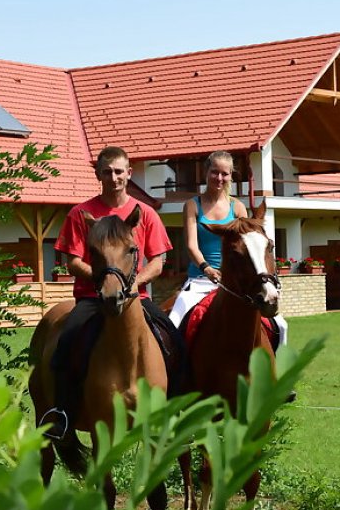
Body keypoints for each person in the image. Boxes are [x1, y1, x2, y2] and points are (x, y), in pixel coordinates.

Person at [43, 145, 173, 439]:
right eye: (107, 172)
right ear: (98, 174)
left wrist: (132, 285)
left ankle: (176, 408)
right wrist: (104, 282)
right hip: (92, 299)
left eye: (119, 171)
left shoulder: (146, 214)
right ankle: (60, 412)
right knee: (66, 342)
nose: (113, 177)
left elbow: (158, 261)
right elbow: (73, 261)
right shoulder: (81, 214)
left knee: (173, 338)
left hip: (136, 299)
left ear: (129, 173)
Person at [168, 151, 288, 348]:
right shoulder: (192, 205)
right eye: (215, 172)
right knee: (174, 323)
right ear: (206, 172)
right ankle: (178, 375)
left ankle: (276, 374)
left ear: (231, 176)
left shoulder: (237, 207)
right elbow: (191, 245)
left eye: (225, 173)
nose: (219, 178)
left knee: (281, 326)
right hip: (199, 281)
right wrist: (206, 268)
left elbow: (247, 246)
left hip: (235, 283)